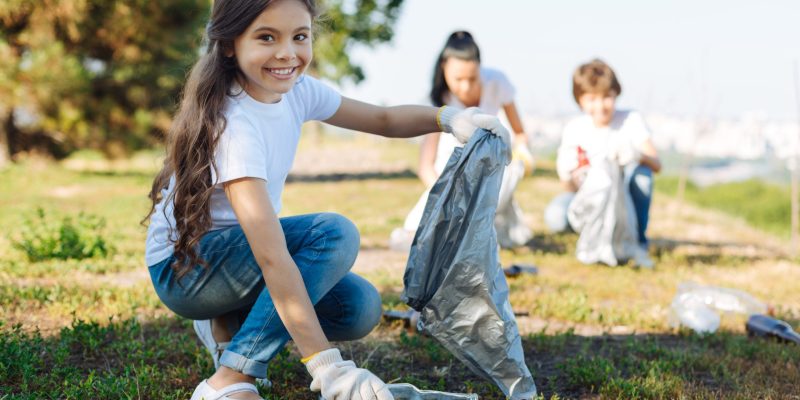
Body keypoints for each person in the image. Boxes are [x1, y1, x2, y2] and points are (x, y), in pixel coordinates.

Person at [142, 1, 511, 399]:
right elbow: (271, 257)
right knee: (334, 234)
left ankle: (229, 320)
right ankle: (232, 376)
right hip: (187, 270)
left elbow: (382, 120)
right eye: (267, 37)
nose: (287, 52)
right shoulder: (234, 124)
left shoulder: (297, 91)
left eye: (300, 36)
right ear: (230, 44)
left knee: (359, 307)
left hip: (237, 260)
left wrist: (447, 118)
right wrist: (328, 367)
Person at [390, 31, 534, 251]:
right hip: (449, 179)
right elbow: (426, 166)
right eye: (458, 79)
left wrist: (523, 153)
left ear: (480, 69)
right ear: (444, 68)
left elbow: (519, 133)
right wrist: (448, 195)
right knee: (415, 235)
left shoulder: (497, 81)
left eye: (472, 78)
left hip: (490, 173)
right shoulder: (438, 101)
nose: (465, 87)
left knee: (503, 181)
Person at [544, 59, 661, 250]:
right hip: (588, 199)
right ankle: (592, 233)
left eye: (607, 97)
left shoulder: (630, 120)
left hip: (624, 200)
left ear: (616, 94)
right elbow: (570, 188)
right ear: (580, 100)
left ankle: (637, 239)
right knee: (556, 216)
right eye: (592, 99)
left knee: (643, 176)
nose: (600, 106)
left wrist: (638, 155)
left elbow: (657, 164)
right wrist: (566, 173)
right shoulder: (575, 129)